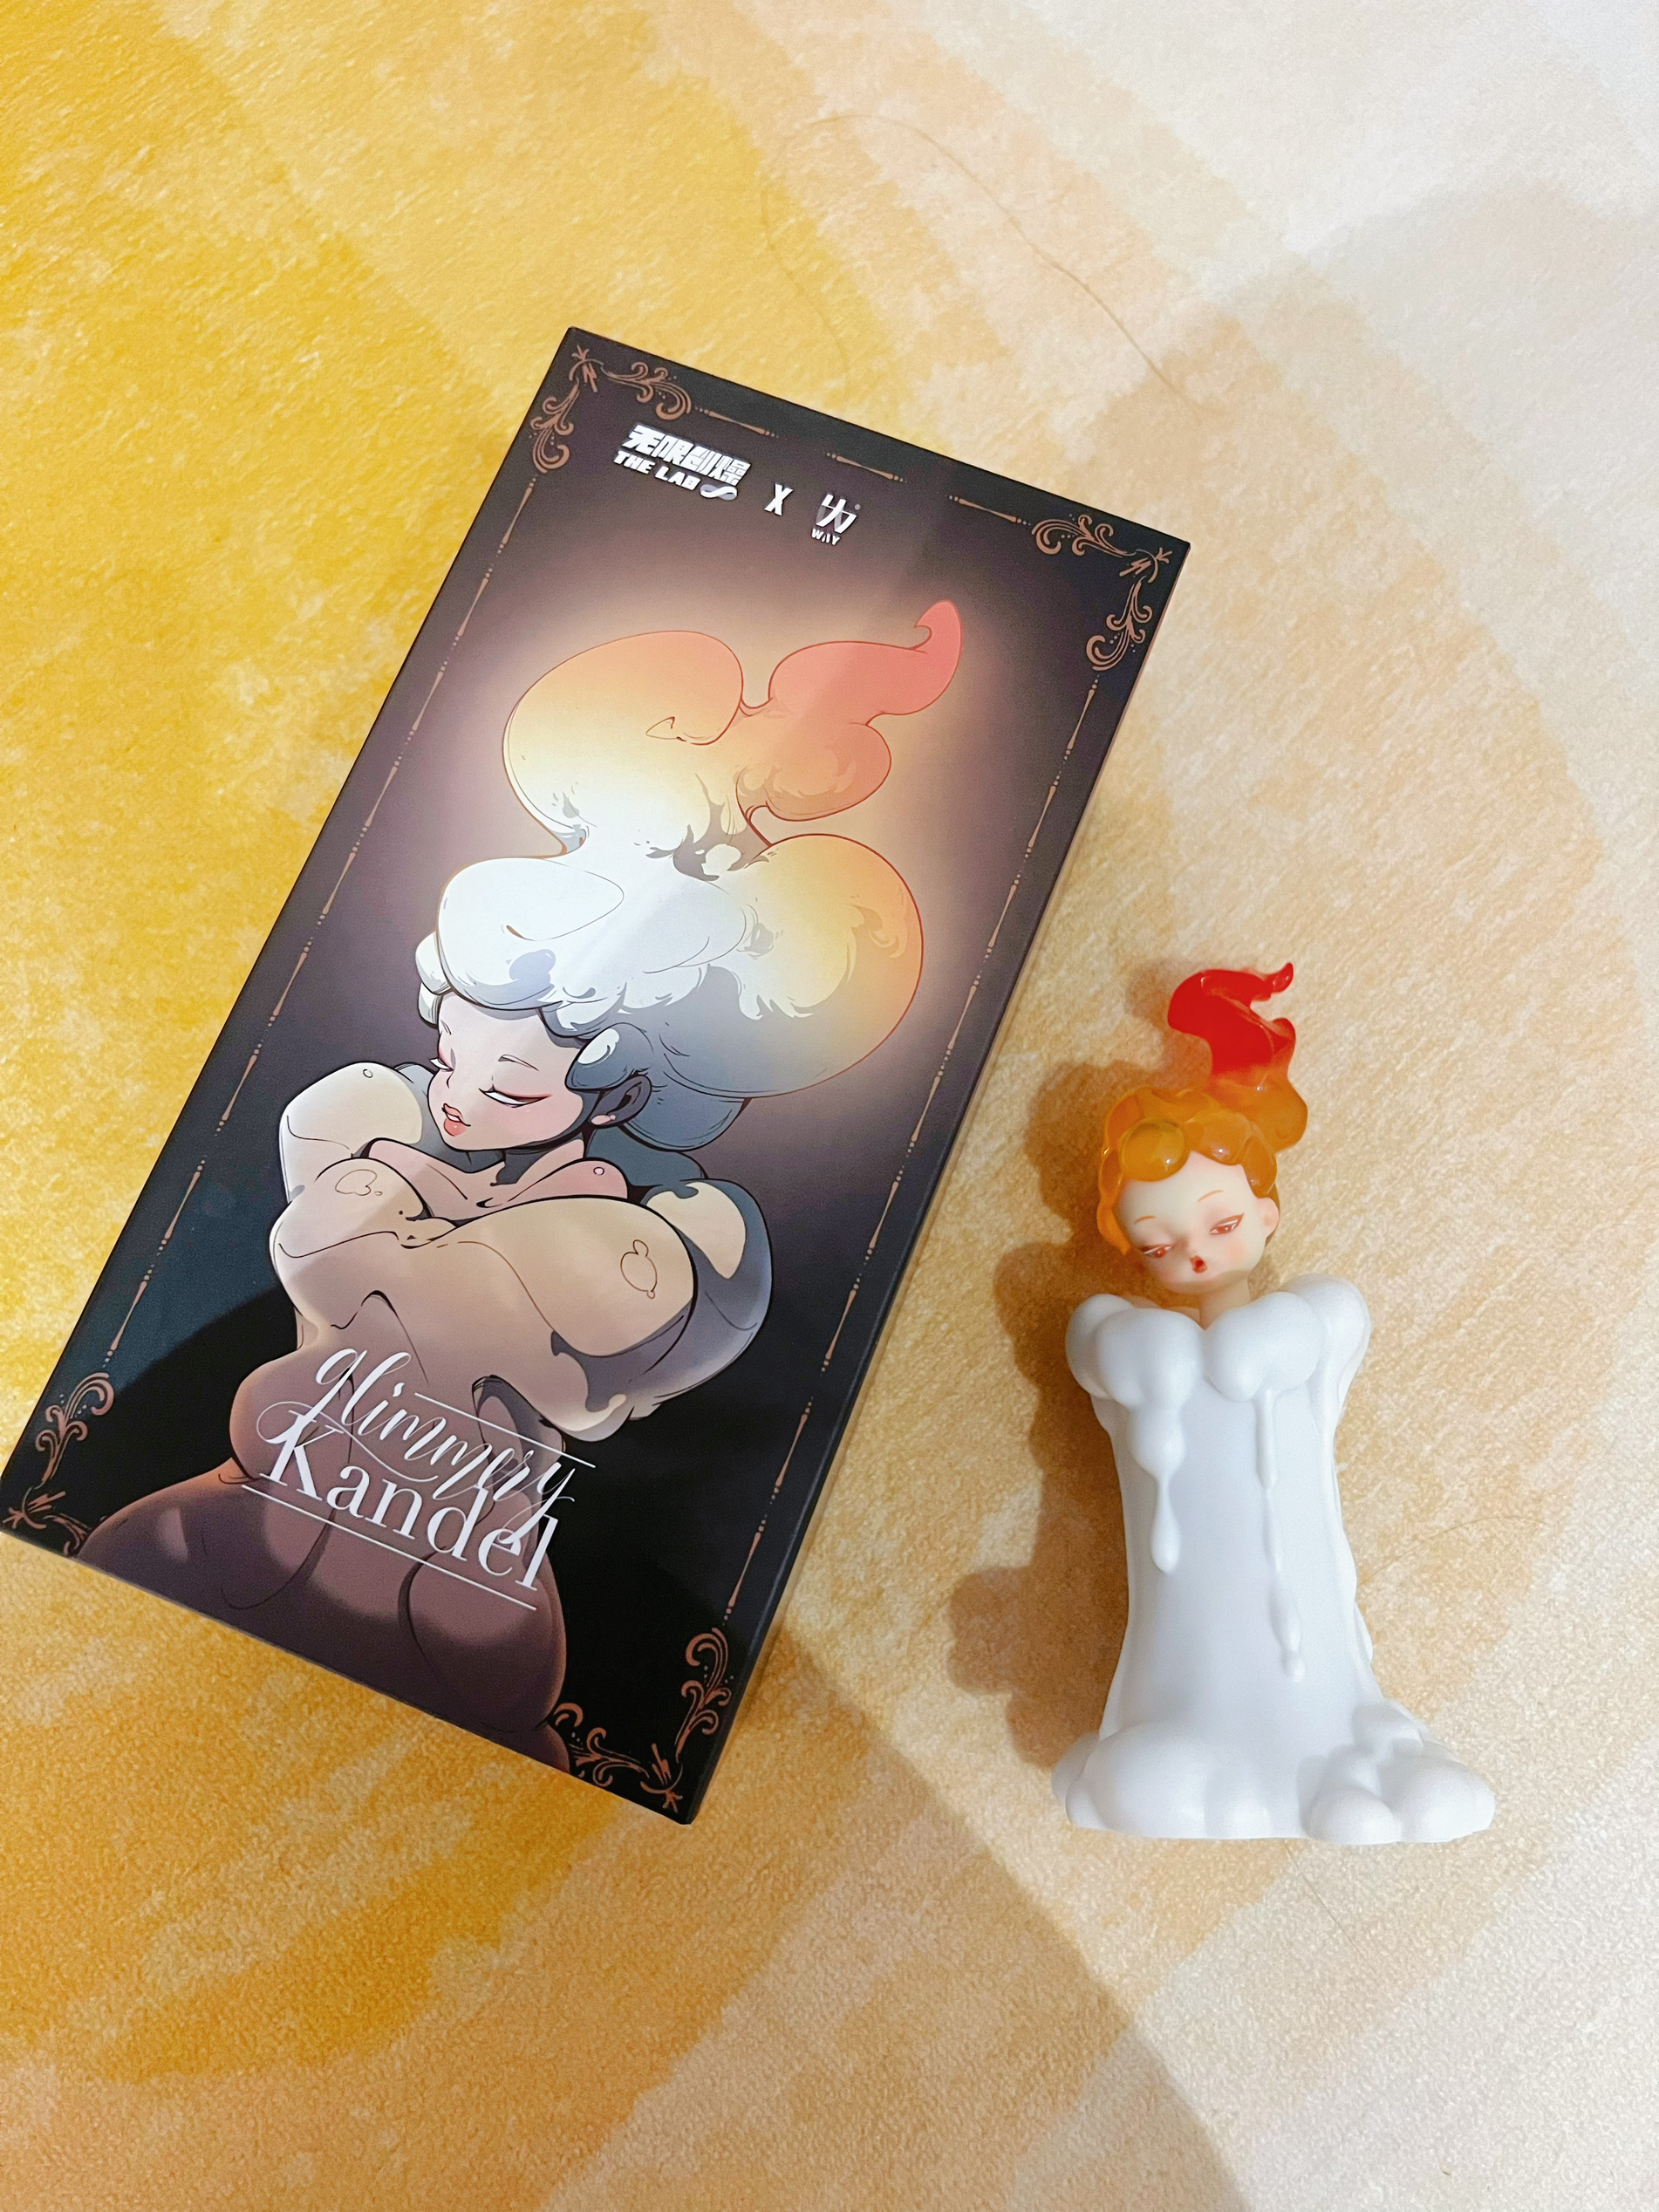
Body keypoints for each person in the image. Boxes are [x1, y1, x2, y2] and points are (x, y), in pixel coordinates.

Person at [83, 604, 962, 1762]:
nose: (453, 1099)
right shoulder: (371, 1117)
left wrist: (435, 1223)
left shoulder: (661, 1244)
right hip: (243, 1521)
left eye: (504, 1085)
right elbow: (323, 1256)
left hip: (465, 1611)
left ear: (623, 1085)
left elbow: (502, 1314)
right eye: (449, 1052)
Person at [1055, 965, 1495, 1843]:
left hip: (1312, 1633)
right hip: (1187, 1643)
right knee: (1170, 1731)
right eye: (1158, 1244)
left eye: (1220, 1225)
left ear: (1267, 1213)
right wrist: (1153, 1350)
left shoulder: (1313, 1321)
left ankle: (1338, 1763)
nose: (1193, 1254)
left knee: (1312, 1678)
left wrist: (1246, 1344)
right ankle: (1220, 1760)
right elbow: (1097, 1343)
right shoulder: (1126, 1339)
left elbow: (1323, 1324)